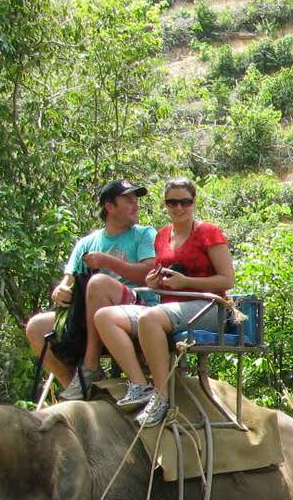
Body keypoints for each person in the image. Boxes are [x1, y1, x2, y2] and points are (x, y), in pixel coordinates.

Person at [94, 178, 236, 428]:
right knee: (105, 316)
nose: (178, 208)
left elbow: (227, 279)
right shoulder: (161, 235)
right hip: (169, 307)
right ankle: (139, 384)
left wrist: (185, 282)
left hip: (208, 305)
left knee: (151, 318)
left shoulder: (208, 233)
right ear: (165, 205)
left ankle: (162, 398)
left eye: (184, 202)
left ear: (193, 203)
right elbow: (161, 276)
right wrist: (153, 281)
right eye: (172, 202)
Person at [24, 179, 157, 399]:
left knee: (98, 283)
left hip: (137, 309)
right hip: (89, 316)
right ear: (110, 207)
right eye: (128, 200)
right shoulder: (87, 243)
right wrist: (61, 291)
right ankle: (78, 390)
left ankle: (90, 367)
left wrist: (107, 262)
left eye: (136, 200)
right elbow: (68, 280)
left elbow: (148, 273)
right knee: (36, 326)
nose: (136, 205)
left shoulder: (144, 234)